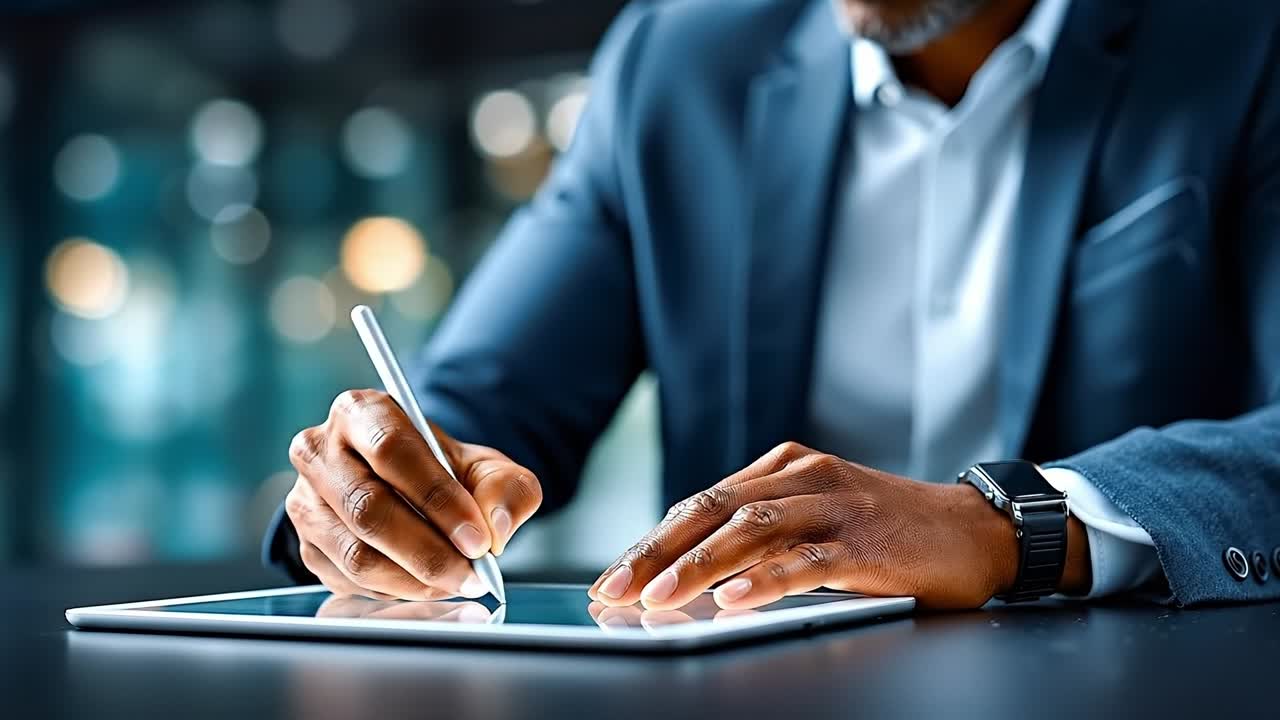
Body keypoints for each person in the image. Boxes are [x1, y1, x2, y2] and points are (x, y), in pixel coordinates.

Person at [266, 0, 1280, 610]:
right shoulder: (680, 62)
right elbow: (480, 404)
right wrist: (382, 488)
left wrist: (999, 527)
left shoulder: (1241, 42)